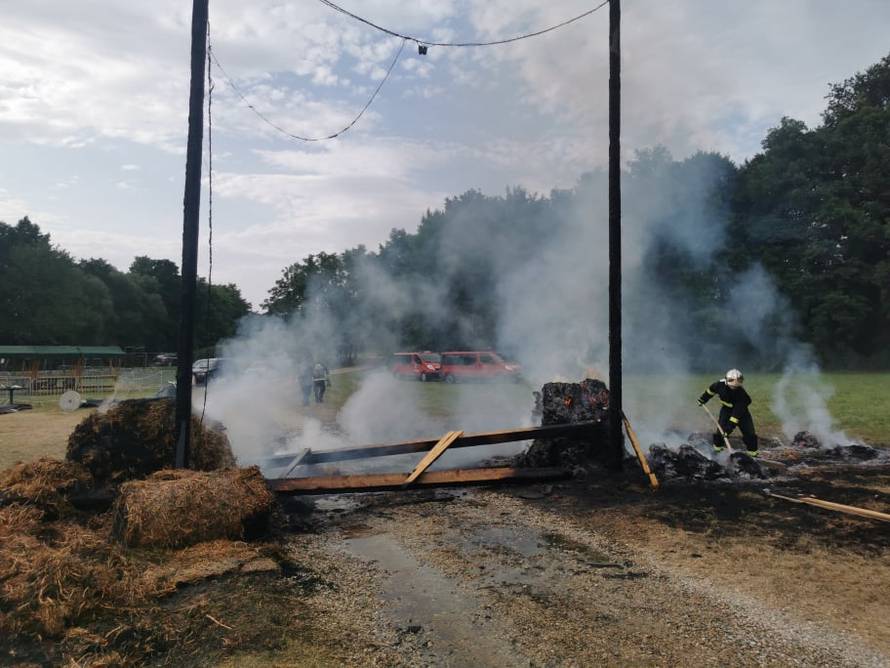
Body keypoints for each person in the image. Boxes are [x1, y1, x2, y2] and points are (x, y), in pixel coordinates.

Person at [698, 368, 759, 455]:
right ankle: (717, 450)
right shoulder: (719, 385)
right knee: (720, 431)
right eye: (732, 386)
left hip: (742, 413)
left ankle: (753, 453)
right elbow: (710, 391)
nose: (734, 388)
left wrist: (729, 429)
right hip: (726, 410)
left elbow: (735, 416)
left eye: (736, 386)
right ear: (726, 382)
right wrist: (703, 399)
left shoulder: (742, 396)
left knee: (749, 433)